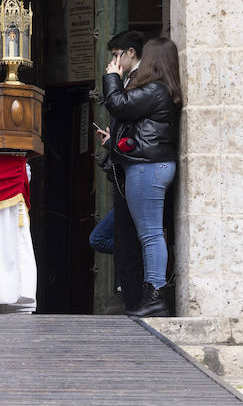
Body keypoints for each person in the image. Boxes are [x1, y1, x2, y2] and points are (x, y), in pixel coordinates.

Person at [100, 35, 181, 318]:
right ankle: (153, 293)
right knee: (149, 234)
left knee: (150, 234)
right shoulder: (162, 91)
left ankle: (155, 295)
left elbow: (118, 104)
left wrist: (112, 77)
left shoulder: (156, 90)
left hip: (147, 168)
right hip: (151, 165)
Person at [90, 28, 147, 314]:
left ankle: (136, 299)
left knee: (130, 238)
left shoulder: (139, 81)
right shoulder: (131, 81)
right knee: (116, 238)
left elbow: (120, 107)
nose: (113, 61)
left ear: (130, 53)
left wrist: (111, 79)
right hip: (123, 165)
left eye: (116, 55)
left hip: (134, 170)